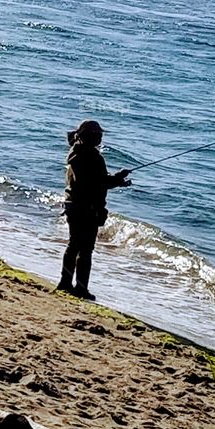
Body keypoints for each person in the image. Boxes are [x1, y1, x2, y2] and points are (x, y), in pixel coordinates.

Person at [57, 120, 131, 300]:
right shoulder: (89, 155)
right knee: (85, 249)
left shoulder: (77, 151)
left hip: (73, 205)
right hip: (85, 208)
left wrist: (115, 180)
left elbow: (94, 180)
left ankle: (66, 283)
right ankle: (80, 288)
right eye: (98, 135)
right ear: (89, 136)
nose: (100, 138)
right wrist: (117, 180)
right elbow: (93, 184)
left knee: (74, 245)